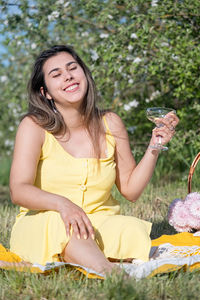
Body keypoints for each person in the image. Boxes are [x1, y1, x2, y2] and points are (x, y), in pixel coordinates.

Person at [9, 45, 179, 276]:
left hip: (98, 221)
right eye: (56, 74)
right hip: (44, 221)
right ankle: (110, 273)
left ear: (84, 74)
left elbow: (130, 190)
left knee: (131, 230)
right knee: (62, 224)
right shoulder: (34, 126)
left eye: (72, 68)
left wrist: (155, 146)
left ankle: (87, 256)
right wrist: (63, 205)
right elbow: (19, 190)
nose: (68, 76)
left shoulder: (111, 123)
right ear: (45, 92)